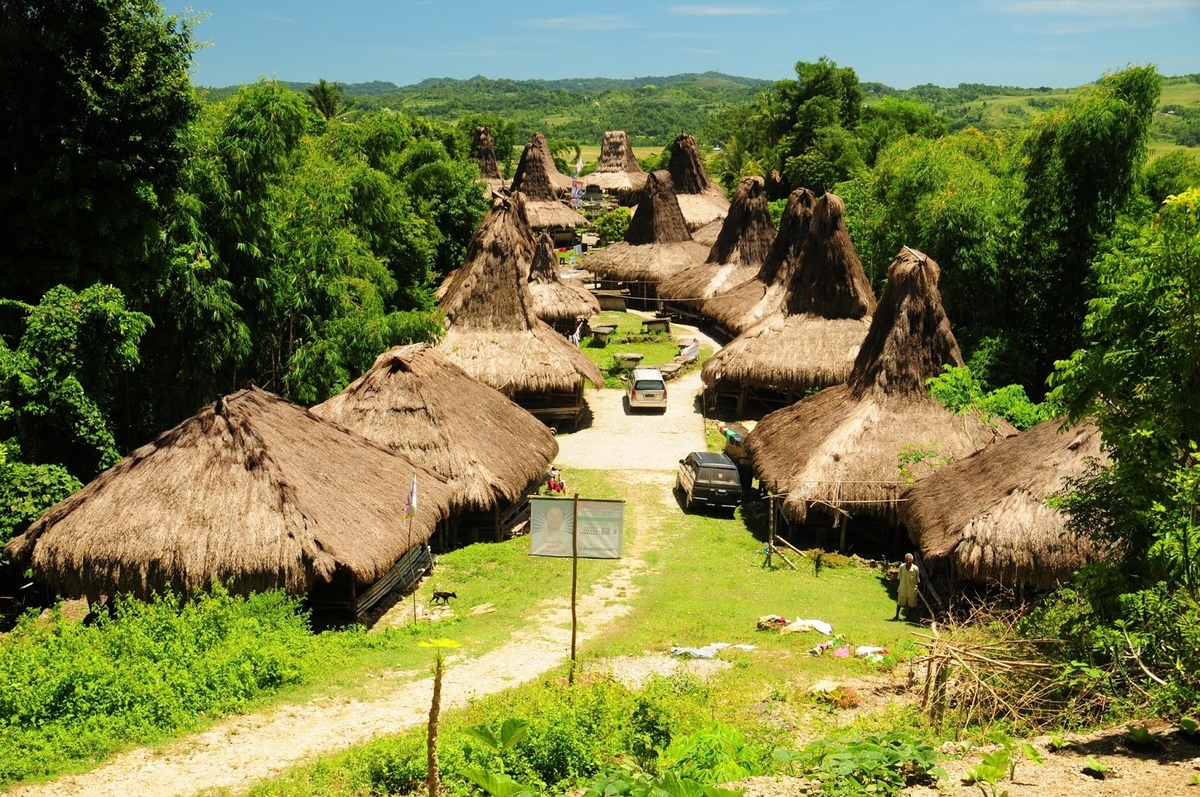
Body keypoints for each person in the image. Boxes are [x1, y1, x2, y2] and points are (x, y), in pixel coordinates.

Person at [893, 553, 920, 621]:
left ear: (912, 561)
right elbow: (899, 577)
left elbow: (917, 580)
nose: (908, 562)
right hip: (902, 588)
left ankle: (908, 617)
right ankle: (897, 616)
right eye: (907, 560)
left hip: (911, 588)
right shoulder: (902, 567)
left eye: (910, 560)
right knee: (899, 603)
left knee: (911, 604)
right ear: (905, 560)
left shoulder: (915, 569)